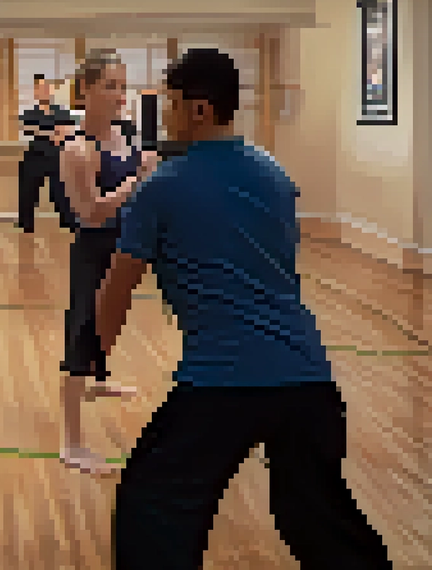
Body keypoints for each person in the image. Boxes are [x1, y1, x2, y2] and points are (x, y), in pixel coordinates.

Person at [97, 49, 392, 569]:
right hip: (309, 381)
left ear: (200, 110)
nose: (164, 115)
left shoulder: (161, 188)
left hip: (223, 384)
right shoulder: (274, 175)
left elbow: (118, 288)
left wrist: (95, 356)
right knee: (317, 517)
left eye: (170, 104)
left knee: (152, 506)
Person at [56, 49, 153, 472]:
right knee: (82, 330)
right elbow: (90, 211)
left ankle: (99, 379)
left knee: (109, 320)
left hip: (125, 246)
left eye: (122, 86)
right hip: (94, 249)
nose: (119, 95)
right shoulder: (78, 149)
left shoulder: (125, 136)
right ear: (86, 92)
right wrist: (137, 180)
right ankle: (72, 443)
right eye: (110, 86)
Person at [17, 73, 78, 233]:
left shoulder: (61, 112)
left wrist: (52, 132)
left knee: (62, 191)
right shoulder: (30, 113)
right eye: (40, 88)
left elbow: (67, 130)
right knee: (28, 190)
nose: (44, 91)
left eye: (47, 87)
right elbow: (26, 128)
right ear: (35, 92)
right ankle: (26, 223)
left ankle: (69, 222)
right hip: (35, 156)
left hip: (56, 156)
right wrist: (51, 132)